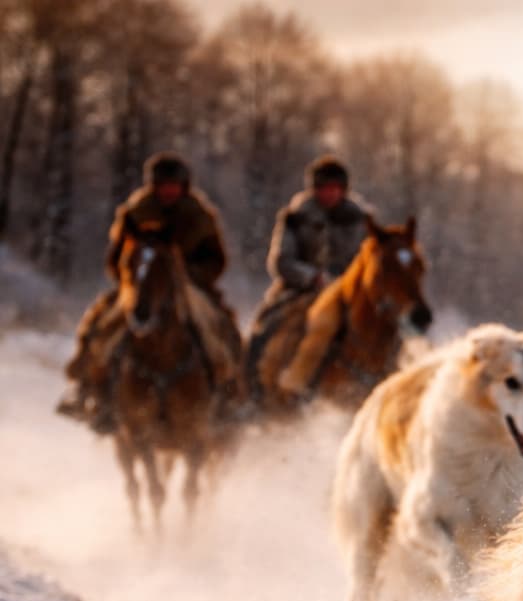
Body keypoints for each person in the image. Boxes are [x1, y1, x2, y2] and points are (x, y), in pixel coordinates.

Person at [58, 152, 242, 431]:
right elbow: (115, 259)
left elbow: (217, 260)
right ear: (153, 186)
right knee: (100, 327)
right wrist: (133, 280)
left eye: (173, 185)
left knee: (219, 329)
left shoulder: (200, 217)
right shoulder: (134, 214)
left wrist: (188, 278)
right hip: (138, 287)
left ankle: (228, 394)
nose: (168, 190)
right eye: (163, 184)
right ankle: (89, 390)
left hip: (190, 288)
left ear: (183, 186)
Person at [244, 155, 373, 395]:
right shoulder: (295, 217)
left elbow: (369, 263)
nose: (330, 194)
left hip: (349, 293)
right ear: (314, 190)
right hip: (300, 291)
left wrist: (346, 281)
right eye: (324, 188)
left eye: (335, 188)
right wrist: (312, 277)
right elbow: (281, 260)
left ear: (344, 190)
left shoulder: (361, 222)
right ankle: (252, 389)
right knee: (263, 331)